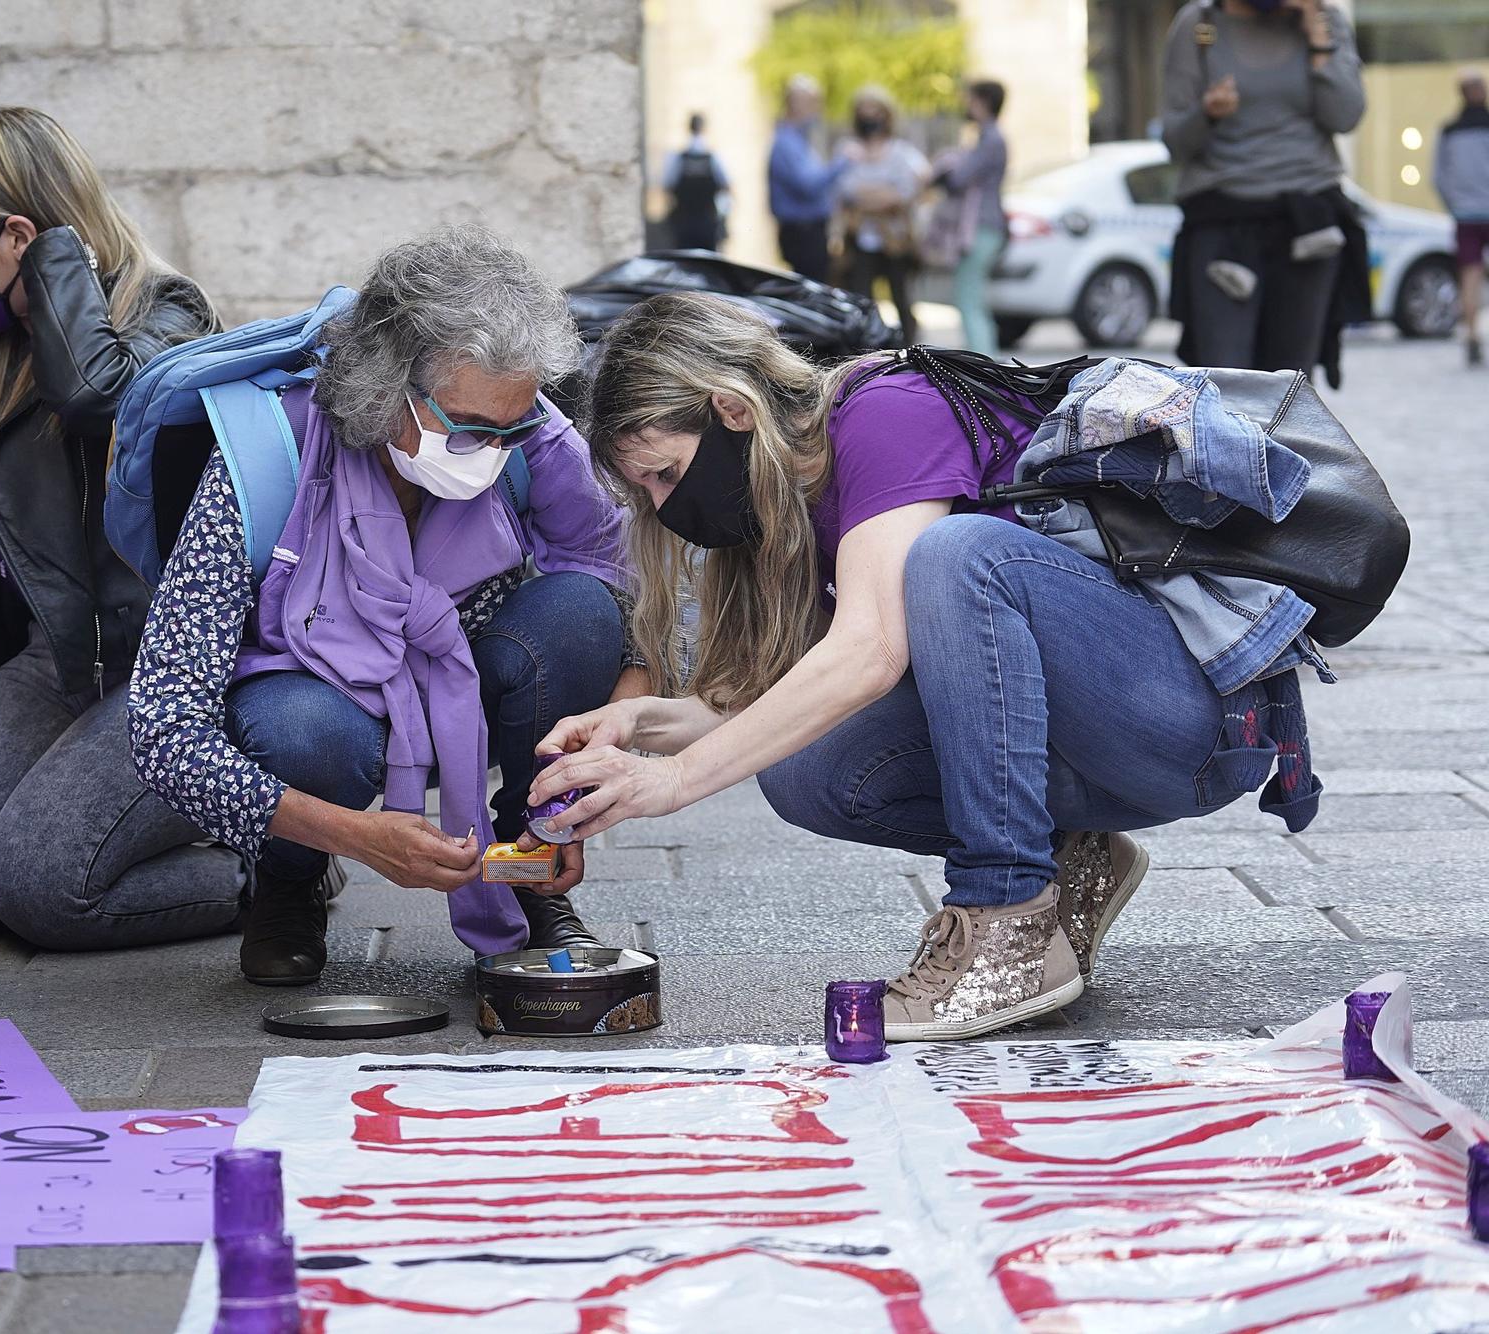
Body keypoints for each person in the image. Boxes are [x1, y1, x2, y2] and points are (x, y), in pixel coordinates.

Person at [533, 294, 1317, 1041]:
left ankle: (1005, 918)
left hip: (1197, 723)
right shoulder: (795, 489)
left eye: (666, 472)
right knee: (810, 771)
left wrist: (673, 784)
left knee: (957, 558)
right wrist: (639, 727)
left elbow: (868, 655)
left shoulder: (886, 410)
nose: (668, 506)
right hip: (1103, 733)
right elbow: (799, 696)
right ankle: (1075, 855)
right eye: (646, 491)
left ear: (731, 410)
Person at [129, 226, 642, 986]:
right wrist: (355, 837)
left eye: (513, 428)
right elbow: (162, 727)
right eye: (467, 428)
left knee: (582, 614)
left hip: (471, 677)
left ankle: (527, 869)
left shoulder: (520, 423)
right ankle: (291, 876)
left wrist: (591, 779)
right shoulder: (265, 456)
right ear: (385, 390)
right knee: (300, 733)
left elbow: (639, 586)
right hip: (321, 698)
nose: (493, 450)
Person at [0, 108, 225, 951]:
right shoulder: (2, 349)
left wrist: (58, 258)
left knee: (41, 887)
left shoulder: (169, 317)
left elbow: (100, 397)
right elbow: (1, 535)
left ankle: (277, 866)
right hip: (60, 660)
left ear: (18, 236)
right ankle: (79, 824)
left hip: (174, 666)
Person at [1161, 0, 1367, 377]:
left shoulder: (1325, 18)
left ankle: (1280, 440)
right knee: (1225, 379)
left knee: (1290, 383)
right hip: (1224, 222)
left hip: (1308, 225)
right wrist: (1207, 112)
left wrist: (1316, 37)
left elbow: (1346, 115)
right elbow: (1175, 140)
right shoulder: (1200, 23)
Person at [833, 86, 931, 346]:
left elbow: (909, 190)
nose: (869, 117)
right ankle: (864, 354)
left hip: (894, 240)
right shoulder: (848, 150)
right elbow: (846, 188)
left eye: (874, 111)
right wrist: (882, 195)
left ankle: (913, 350)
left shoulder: (900, 151)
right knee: (860, 299)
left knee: (901, 298)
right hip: (860, 238)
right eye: (863, 111)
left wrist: (873, 197)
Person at [932, 81, 1010, 357]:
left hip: (982, 228)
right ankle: (986, 359)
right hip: (984, 228)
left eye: (971, 99)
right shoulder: (985, 138)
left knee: (968, 298)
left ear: (983, 102)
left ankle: (985, 362)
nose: (966, 105)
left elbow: (958, 178)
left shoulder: (991, 140)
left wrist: (943, 168)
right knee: (972, 297)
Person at [1434, 71, 1489, 368]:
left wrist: (1454, 203)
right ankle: (1472, 336)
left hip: (1465, 214)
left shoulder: (1449, 131)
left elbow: (1437, 176)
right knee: (1471, 277)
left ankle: (1472, 336)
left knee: (1470, 276)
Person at [768, 75, 843, 283]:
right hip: (803, 234)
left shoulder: (800, 141)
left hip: (810, 231)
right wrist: (843, 162)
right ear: (796, 104)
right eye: (813, 102)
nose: (817, 109)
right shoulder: (787, 143)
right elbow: (809, 186)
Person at [662, 113, 731, 252]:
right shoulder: (713, 157)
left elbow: (667, 186)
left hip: (684, 221)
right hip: (707, 221)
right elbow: (726, 186)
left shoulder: (677, 158)